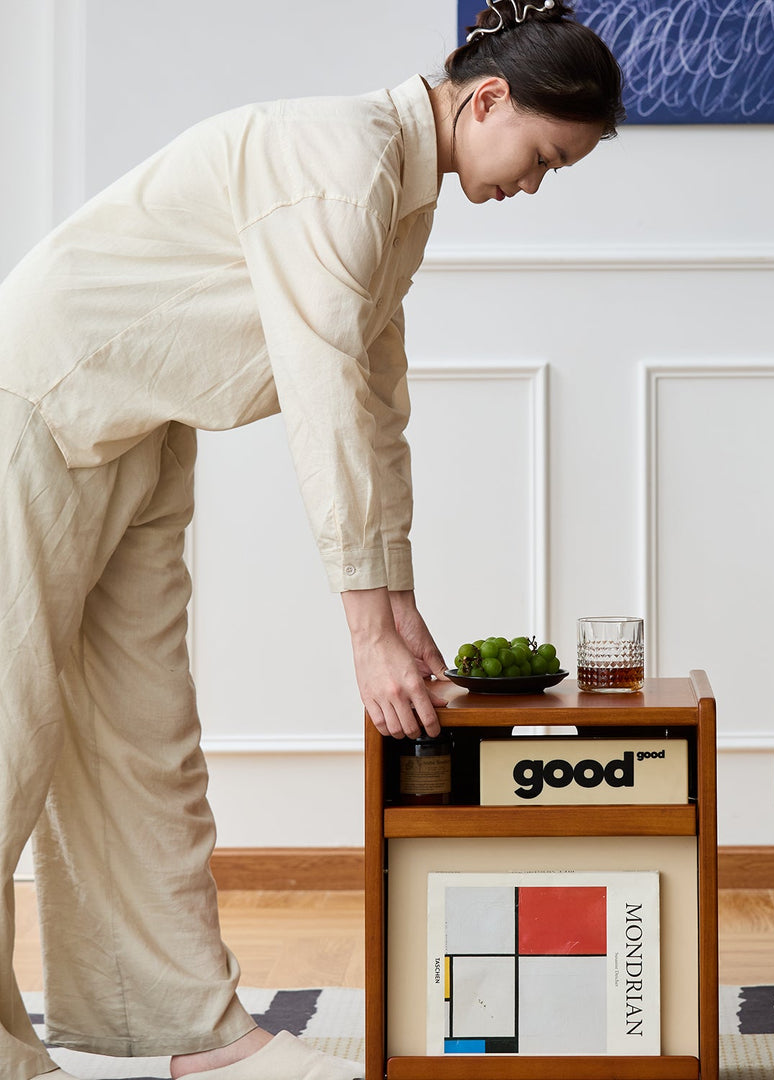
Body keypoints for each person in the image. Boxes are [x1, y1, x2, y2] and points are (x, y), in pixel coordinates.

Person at [0, 2, 624, 1078]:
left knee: (146, 737)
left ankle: (184, 1029)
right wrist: (362, 633)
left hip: (145, 431)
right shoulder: (340, 164)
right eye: (543, 156)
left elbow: (377, 403)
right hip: (41, 409)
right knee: (11, 728)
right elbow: (323, 391)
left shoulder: (402, 190)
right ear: (486, 100)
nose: (534, 183)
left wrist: (400, 605)